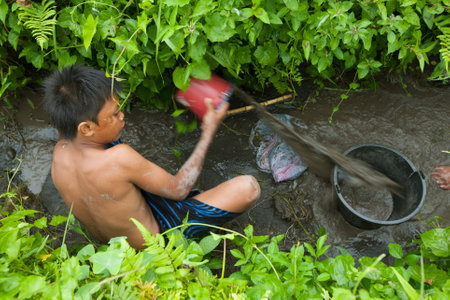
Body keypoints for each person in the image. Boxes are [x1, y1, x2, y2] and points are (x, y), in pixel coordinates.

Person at [43, 65, 260, 249]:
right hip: (157, 242)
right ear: (87, 127)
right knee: (249, 187)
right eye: (115, 114)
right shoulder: (119, 159)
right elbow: (179, 189)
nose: (122, 116)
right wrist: (208, 130)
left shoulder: (59, 152)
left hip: (113, 245)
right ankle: (178, 252)